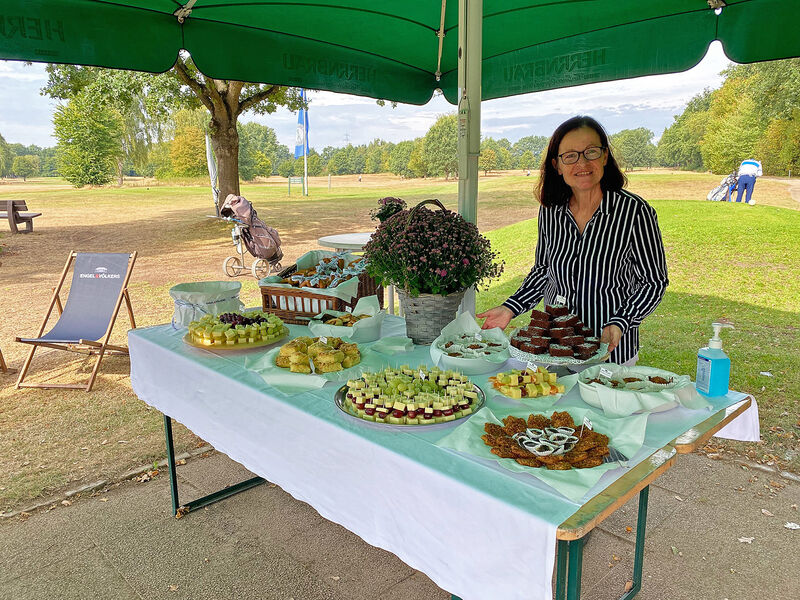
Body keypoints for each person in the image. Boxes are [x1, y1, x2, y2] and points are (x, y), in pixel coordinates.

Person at [477, 116, 669, 366]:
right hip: (555, 352)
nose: (582, 163)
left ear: (604, 156)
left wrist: (621, 321)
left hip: (610, 353)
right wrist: (510, 307)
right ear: (557, 165)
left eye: (591, 152)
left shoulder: (635, 212)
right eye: (570, 156)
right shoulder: (550, 211)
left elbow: (653, 282)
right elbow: (544, 270)